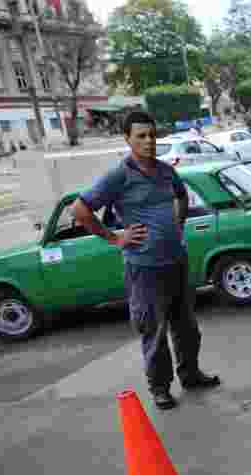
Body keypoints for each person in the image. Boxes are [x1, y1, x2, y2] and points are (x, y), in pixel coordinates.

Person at [73, 110, 221, 410]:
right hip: (144, 268)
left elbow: (181, 195)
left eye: (152, 135)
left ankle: (190, 374)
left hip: (176, 262)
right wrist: (116, 238)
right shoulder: (118, 176)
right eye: (141, 136)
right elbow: (80, 210)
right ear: (127, 139)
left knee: (187, 328)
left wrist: (178, 225)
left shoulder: (166, 171)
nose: (149, 141)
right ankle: (160, 387)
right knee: (153, 332)